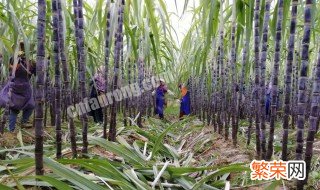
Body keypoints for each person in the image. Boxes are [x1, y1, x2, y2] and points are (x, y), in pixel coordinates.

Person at [0, 42, 36, 132]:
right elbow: (9, 66)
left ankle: (24, 121)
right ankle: (11, 130)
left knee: (31, 105)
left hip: (25, 88)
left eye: (24, 47)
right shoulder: (13, 59)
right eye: (21, 47)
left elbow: (36, 73)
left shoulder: (31, 61)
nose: (22, 49)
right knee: (14, 109)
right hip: (15, 87)